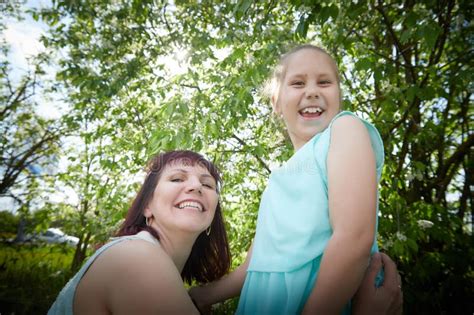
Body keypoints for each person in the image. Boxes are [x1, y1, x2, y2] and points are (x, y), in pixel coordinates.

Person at [189, 44, 403, 314]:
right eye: (298, 83)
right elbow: (254, 267)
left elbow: (354, 238)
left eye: (324, 82)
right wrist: (202, 295)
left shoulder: (345, 130)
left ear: (339, 95)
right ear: (276, 103)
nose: (312, 91)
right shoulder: (277, 181)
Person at [48, 150, 231, 314]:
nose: (196, 186)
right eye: (177, 179)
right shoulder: (136, 256)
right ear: (147, 206)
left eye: (207, 184)